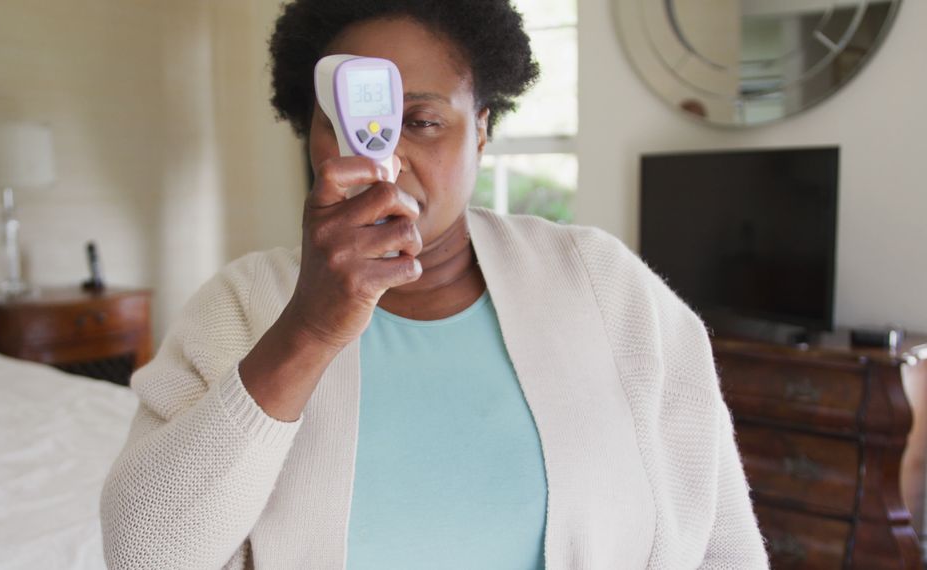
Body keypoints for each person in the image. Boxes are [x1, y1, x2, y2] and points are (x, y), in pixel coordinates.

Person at [100, 1, 769, 568]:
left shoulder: (606, 287)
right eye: (348, 122)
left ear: (482, 129)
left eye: (421, 122)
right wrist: (308, 328)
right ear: (309, 134)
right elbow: (146, 552)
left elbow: (721, 542)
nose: (385, 157)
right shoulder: (240, 307)